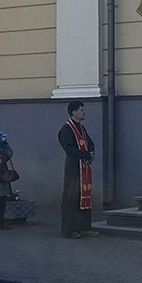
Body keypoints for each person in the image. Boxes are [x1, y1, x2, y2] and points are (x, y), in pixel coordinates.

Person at [58, 101, 97, 239]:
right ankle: (69, 229)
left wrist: (91, 153)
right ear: (74, 112)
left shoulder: (82, 128)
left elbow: (90, 143)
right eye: (81, 110)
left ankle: (84, 227)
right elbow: (69, 149)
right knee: (72, 198)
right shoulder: (66, 129)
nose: (83, 112)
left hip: (84, 167)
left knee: (85, 197)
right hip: (74, 168)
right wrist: (85, 155)